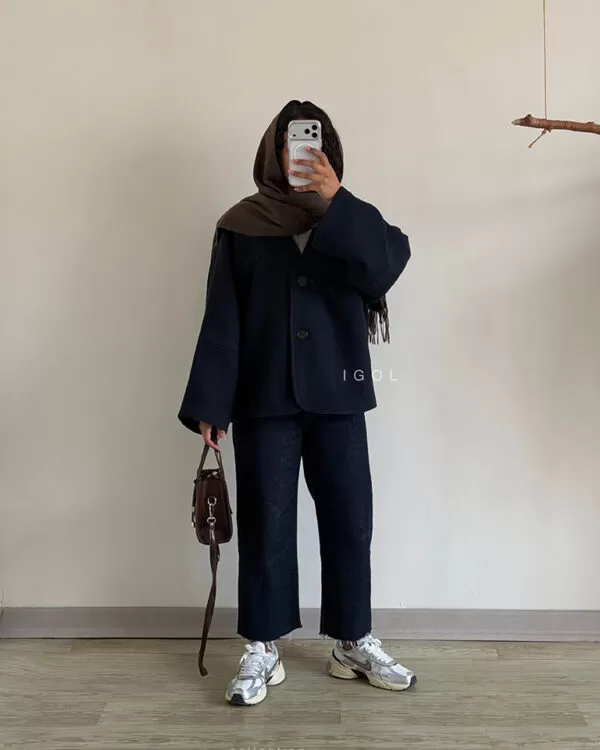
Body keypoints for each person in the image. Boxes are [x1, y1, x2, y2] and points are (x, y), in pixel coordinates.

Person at [178, 100, 415, 706]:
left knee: (350, 521)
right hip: (265, 398)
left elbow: (387, 265)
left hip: (338, 395)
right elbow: (223, 317)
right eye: (292, 143)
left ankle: (352, 641)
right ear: (273, 152)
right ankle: (262, 645)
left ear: (329, 153)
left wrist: (338, 202)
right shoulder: (242, 224)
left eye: (314, 143)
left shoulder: (351, 219)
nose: (302, 153)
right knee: (267, 523)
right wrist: (211, 404)